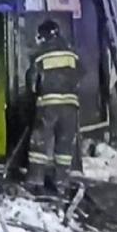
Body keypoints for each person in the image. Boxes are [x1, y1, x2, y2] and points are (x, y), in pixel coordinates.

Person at [25, 19, 85, 195]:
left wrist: (35, 93)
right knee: (64, 147)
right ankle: (61, 183)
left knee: (39, 143)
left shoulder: (40, 55)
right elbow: (80, 77)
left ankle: (35, 181)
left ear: (44, 36)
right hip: (70, 106)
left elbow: (32, 83)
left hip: (48, 105)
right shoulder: (72, 54)